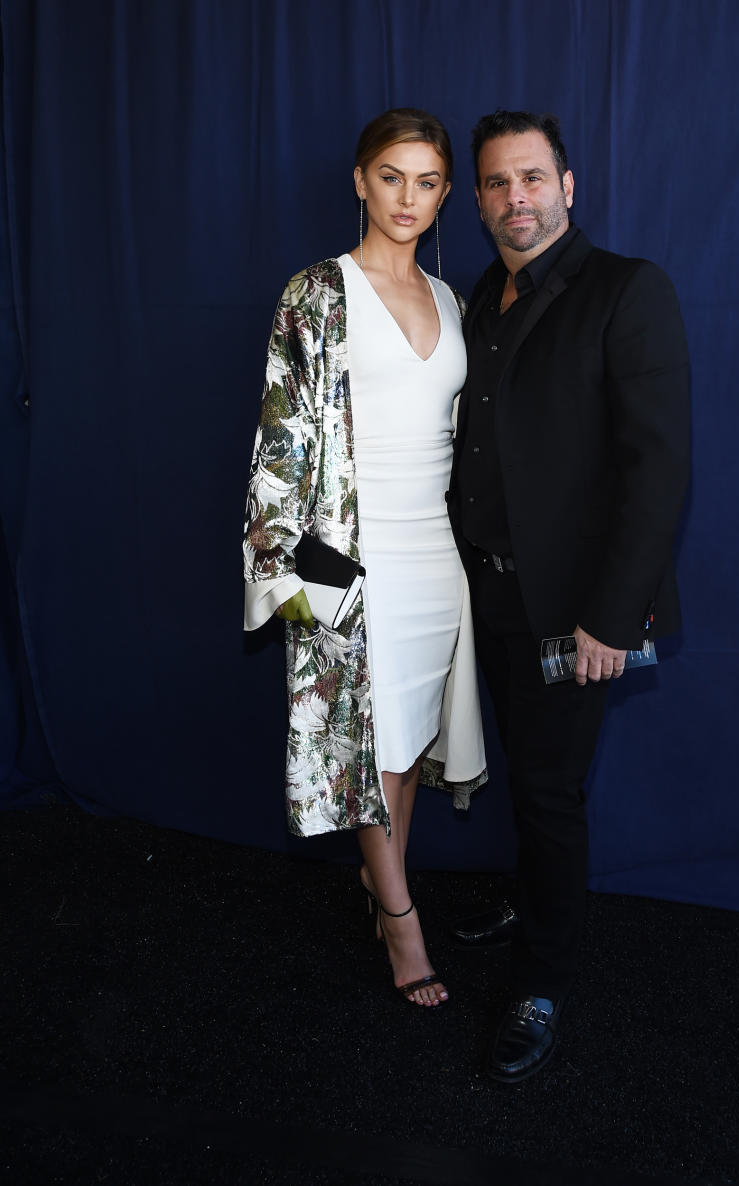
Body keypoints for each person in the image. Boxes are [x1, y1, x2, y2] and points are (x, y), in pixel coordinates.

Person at [448, 110, 690, 1078]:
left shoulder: (628, 289)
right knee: (518, 770)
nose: (517, 199)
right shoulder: (480, 296)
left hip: (574, 610)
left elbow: (657, 468)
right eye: (499, 183)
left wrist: (610, 616)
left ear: (569, 185)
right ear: (478, 199)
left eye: (533, 179)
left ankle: (543, 976)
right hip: (486, 596)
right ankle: (533, 895)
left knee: (549, 793)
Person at [243, 109, 485, 1008]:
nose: (407, 199)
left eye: (426, 182)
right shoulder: (315, 293)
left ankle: (381, 886)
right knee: (371, 748)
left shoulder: (453, 298)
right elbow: (280, 439)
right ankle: (402, 922)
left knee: (407, 743)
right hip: (350, 554)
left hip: (436, 554)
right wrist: (281, 572)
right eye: (392, 177)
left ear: (445, 193)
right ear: (359, 180)